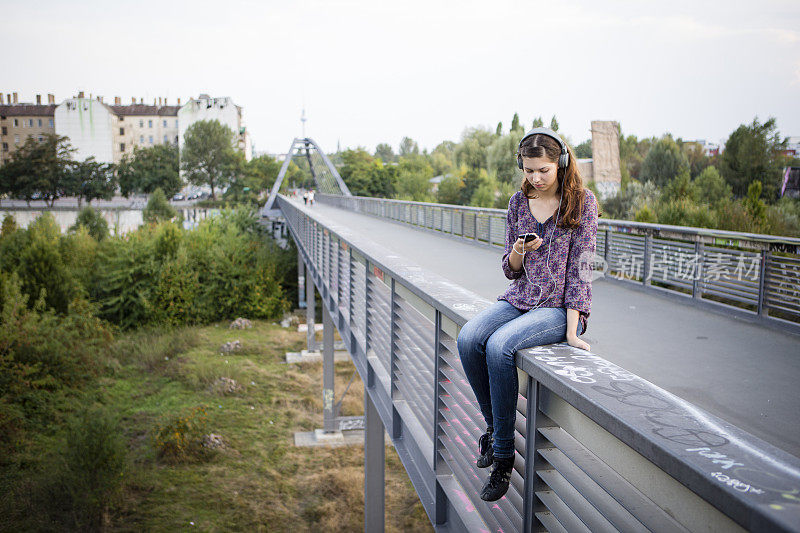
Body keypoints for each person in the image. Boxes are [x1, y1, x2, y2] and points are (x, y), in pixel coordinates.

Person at [456, 127, 598, 502]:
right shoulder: (518, 203)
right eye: (530, 170)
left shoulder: (583, 203)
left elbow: (581, 271)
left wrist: (571, 330)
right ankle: (495, 429)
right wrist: (519, 249)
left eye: (544, 171)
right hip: (520, 297)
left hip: (557, 309)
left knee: (499, 346)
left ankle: (503, 456)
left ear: (561, 165)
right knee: (469, 338)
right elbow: (509, 268)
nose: (536, 178)